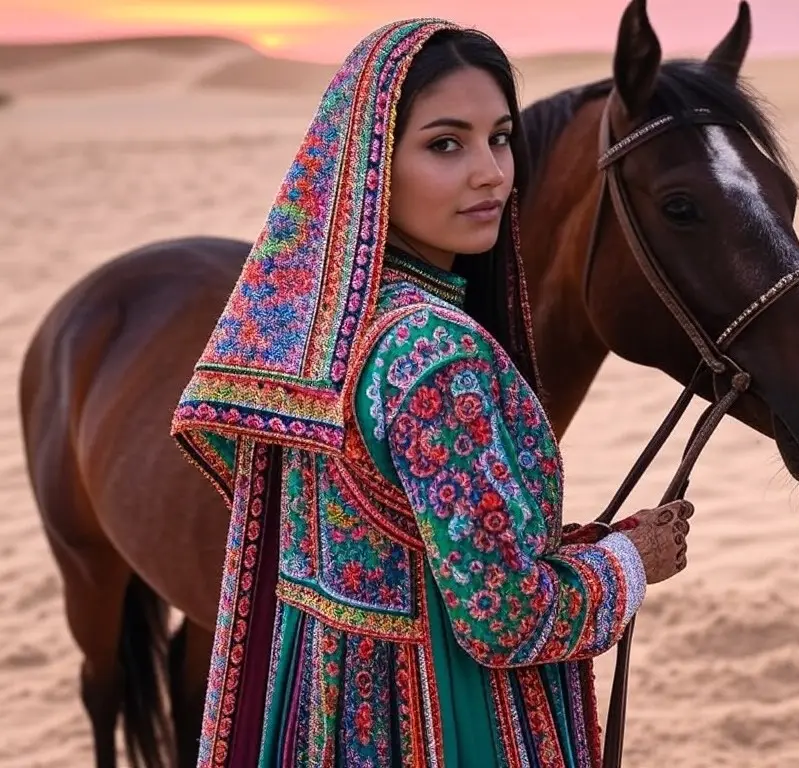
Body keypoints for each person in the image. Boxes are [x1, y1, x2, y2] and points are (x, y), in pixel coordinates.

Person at [171, 17, 693, 767]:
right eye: (445, 144)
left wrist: (589, 545)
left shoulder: (320, 335)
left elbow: (415, 546)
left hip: (329, 715)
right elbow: (505, 618)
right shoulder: (434, 355)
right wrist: (632, 563)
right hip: (439, 722)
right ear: (371, 162)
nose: (491, 172)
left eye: (501, 137)